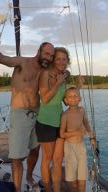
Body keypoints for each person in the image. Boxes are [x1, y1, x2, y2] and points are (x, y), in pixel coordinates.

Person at [0, 31, 55, 192]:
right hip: (19, 114)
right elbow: (1, 58)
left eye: (51, 55)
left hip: (37, 113)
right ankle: (17, 189)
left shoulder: (45, 70)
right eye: (47, 53)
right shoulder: (23, 62)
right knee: (16, 157)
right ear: (39, 51)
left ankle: (29, 177)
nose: (49, 57)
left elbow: (60, 71)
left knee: (35, 149)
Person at [35, 47, 70, 192]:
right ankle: (48, 189)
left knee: (57, 160)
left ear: (67, 61)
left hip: (60, 123)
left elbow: (66, 102)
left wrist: (77, 86)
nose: (61, 61)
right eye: (58, 58)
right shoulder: (46, 74)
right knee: (47, 158)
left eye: (64, 59)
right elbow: (45, 98)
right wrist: (58, 82)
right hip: (45, 122)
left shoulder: (64, 75)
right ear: (54, 60)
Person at [60, 87, 96, 192]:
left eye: (76, 96)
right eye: (70, 97)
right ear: (66, 100)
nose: (73, 98)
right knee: (73, 180)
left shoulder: (82, 110)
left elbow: (86, 124)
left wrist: (92, 137)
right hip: (69, 148)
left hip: (81, 147)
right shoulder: (65, 115)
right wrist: (77, 132)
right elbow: (62, 134)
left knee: (82, 178)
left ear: (79, 98)